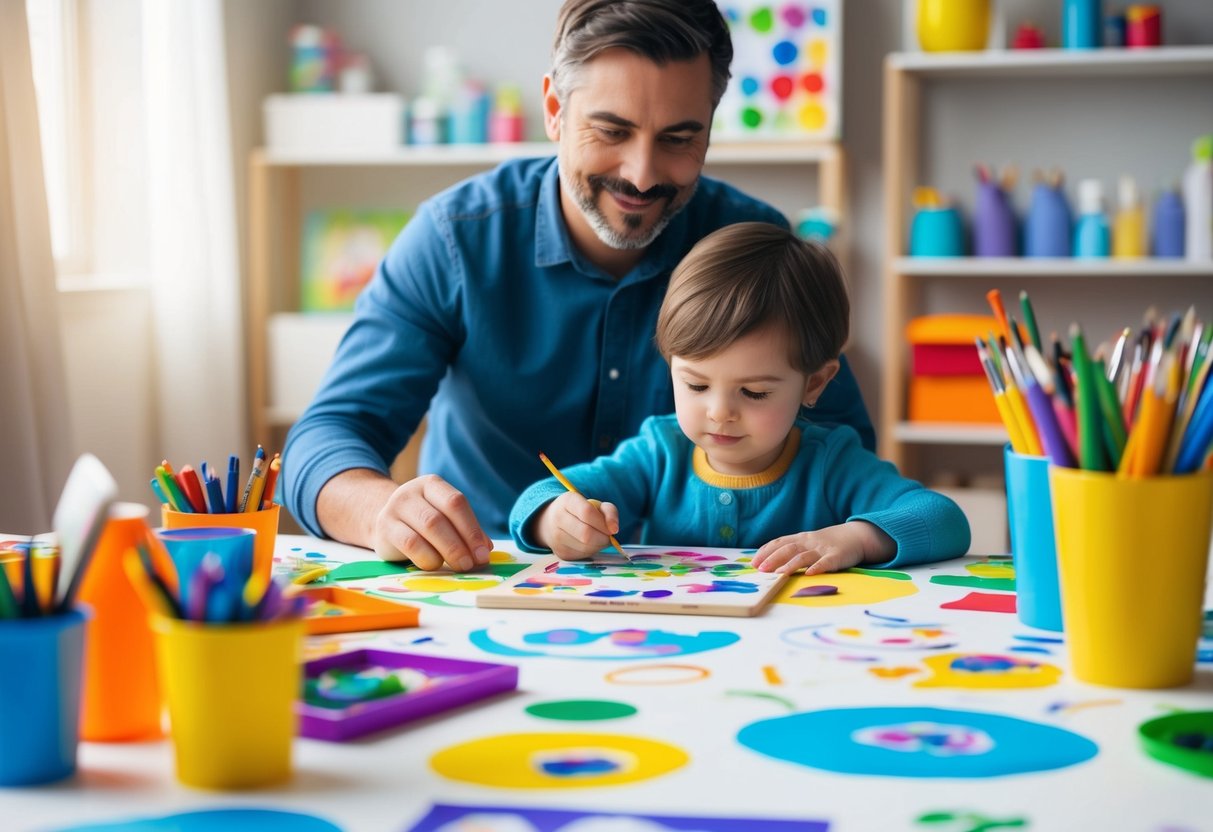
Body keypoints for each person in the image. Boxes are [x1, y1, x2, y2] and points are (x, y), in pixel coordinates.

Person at [282, 0, 875, 573]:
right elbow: (325, 439)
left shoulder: (755, 247)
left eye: (677, 138)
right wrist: (382, 512)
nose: (641, 174)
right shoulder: (454, 240)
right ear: (554, 108)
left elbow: (843, 448)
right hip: (484, 577)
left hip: (725, 597)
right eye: (612, 131)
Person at [510, 223, 970, 574]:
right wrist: (555, 520)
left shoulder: (832, 463)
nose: (719, 412)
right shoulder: (659, 454)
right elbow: (541, 494)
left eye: (753, 392)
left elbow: (943, 518)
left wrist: (856, 538)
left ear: (814, 383)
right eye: (695, 385)